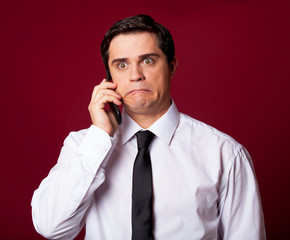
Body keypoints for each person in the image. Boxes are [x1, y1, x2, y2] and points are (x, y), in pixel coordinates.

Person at [31, 15, 266, 240]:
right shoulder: (83, 147)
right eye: (121, 65)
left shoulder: (224, 154)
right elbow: (51, 228)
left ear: (171, 66)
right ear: (108, 77)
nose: (135, 75)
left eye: (147, 60)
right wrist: (100, 137)